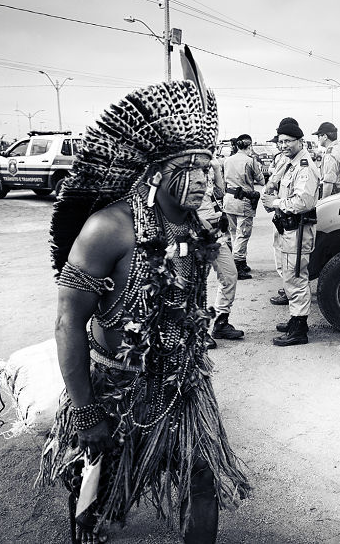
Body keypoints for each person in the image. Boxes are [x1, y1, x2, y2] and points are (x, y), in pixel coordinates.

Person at [39, 67, 250, 543]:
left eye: (206, 168)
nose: (202, 180)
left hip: (182, 383)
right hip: (114, 385)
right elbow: (68, 323)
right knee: (99, 501)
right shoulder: (108, 229)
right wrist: (86, 411)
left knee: (204, 478)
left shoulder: (196, 228)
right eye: (188, 169)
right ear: (156, 173)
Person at [261, 117, 320, 346]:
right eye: (280, 142)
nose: (283, 145)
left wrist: (275, 202)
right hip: (287, 228)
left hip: (297, 229)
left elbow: (302, 202)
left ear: (300, 141)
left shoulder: (304, 167)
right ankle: (297, 319)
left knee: (296, 278)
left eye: (288, 141)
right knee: (289, 276)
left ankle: (299, 329)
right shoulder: (289, 162)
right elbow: (275, 183)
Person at [199, 154, 246, 344]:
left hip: (215, 232)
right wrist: (201, 224)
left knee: (229, 274)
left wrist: (217, 169)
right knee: (196, 284)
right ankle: (197, 332)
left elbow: (219, 193)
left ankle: (220, 322)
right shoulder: (181, 173)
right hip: (196, 234)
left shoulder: (206, 170)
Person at [222, 134, 266, 280]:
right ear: (250, 146)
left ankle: (241, 261)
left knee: (235, 233)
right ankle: (237, 265)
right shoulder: (250, 161)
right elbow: (260, 179)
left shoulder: (228, 160)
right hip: (243, 201)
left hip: (229, 200)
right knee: (243, 234)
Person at [313, 121, 340, 199]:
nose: (318, 139)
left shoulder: (330, 153)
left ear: (325, 137)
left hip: (333, 193)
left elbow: (328, 182)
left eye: (319, 136)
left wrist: (323, 202)